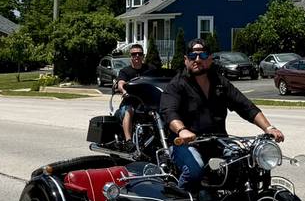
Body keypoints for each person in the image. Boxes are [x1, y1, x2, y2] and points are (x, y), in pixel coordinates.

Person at [159, 39, 284, 191]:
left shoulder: (219, 82)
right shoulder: (177, 85)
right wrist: (182, 130)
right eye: (193, 56)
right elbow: (169, 112)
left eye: (203, 55)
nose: (198, 60)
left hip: (218, 141)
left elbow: (245, 106)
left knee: (244, 163)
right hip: (186, 144)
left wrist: (269, 128)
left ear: (210, 59)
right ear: (186, 60)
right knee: (194, 171)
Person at [115, 44, 155, 147]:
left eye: (139, 54)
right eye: (134, 54)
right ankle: (129, 141)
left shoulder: (150, 69)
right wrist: (124, 91)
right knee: (129, 110)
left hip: (146, 102)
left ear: (143, 56)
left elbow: (158, 80)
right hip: (130, 101)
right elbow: (120, 83)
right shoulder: (125, 71)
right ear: (131, 56)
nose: (137, 56)